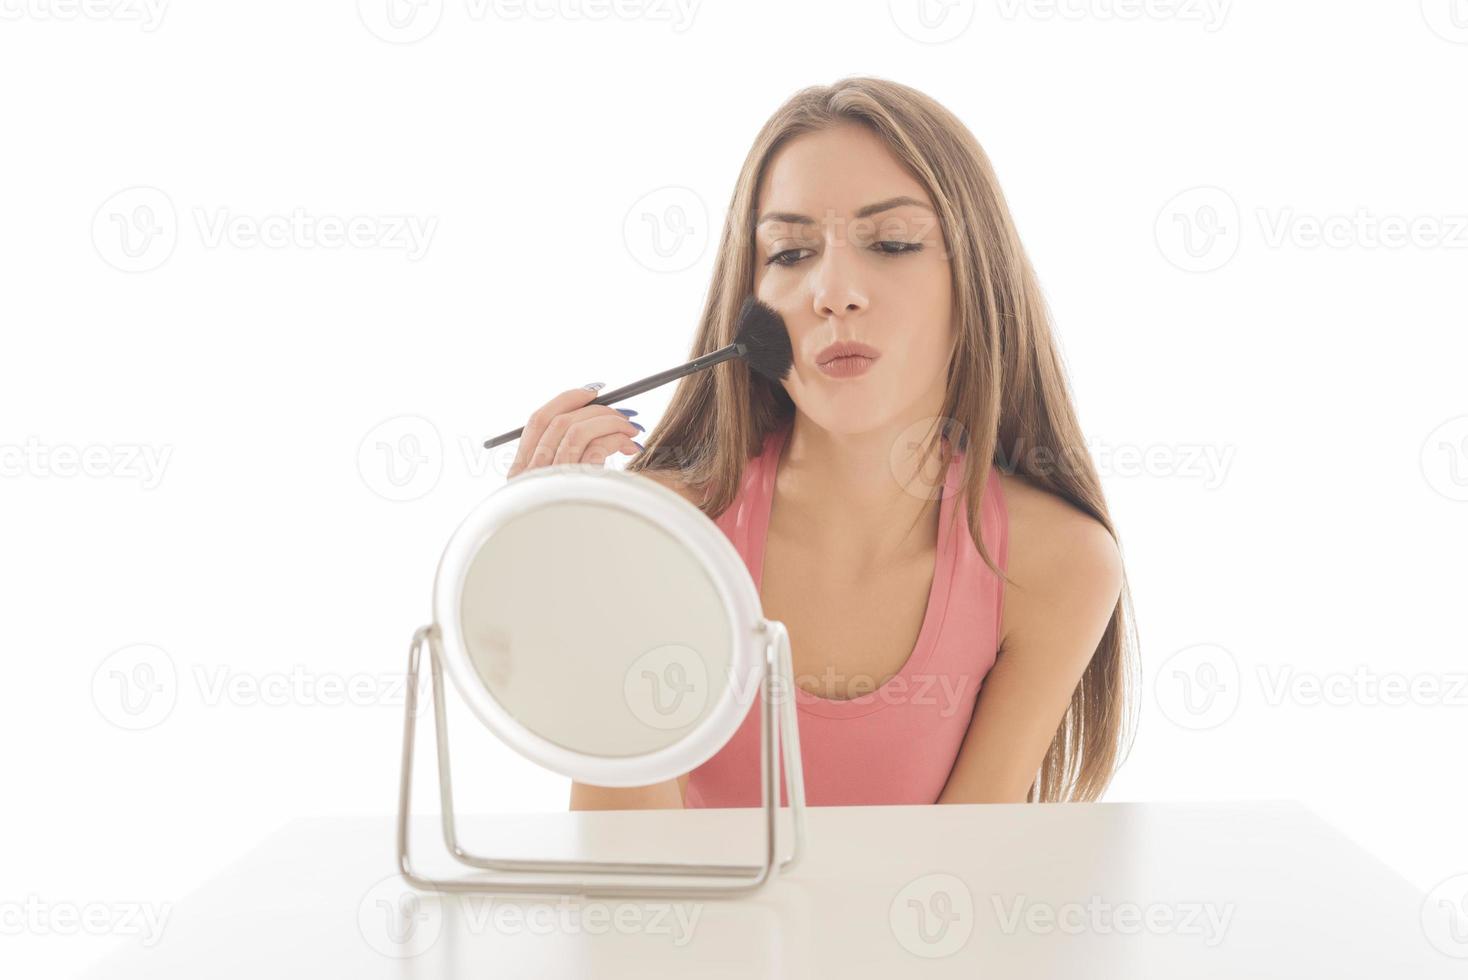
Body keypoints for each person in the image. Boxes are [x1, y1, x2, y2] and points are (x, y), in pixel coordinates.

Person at [509, 76, 1136, 808]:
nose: (834, 292)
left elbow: (966, 886)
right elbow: (629, 888)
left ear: (979, 283)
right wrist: (562, 582)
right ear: (750, 309)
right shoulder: (658, 534)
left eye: (894, 242)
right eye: (790, 254)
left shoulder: (1055, 563)